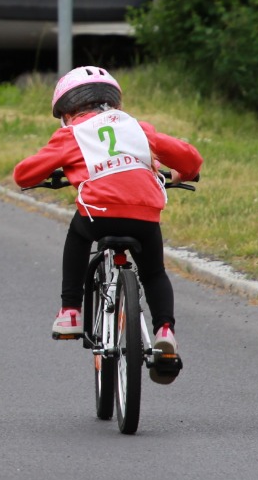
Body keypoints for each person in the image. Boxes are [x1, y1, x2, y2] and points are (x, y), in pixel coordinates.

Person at [12, 66, 203, 364]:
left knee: (77, 234)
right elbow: (191, 159)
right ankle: (165, 331)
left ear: (67, 111)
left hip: (98, 215)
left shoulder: (71, 134)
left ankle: (70, 312)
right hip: (145, 216)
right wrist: (183, 173)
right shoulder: (138, 128)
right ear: (114, 102)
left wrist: (47, 173)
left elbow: (23, 174)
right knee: (154, 273)